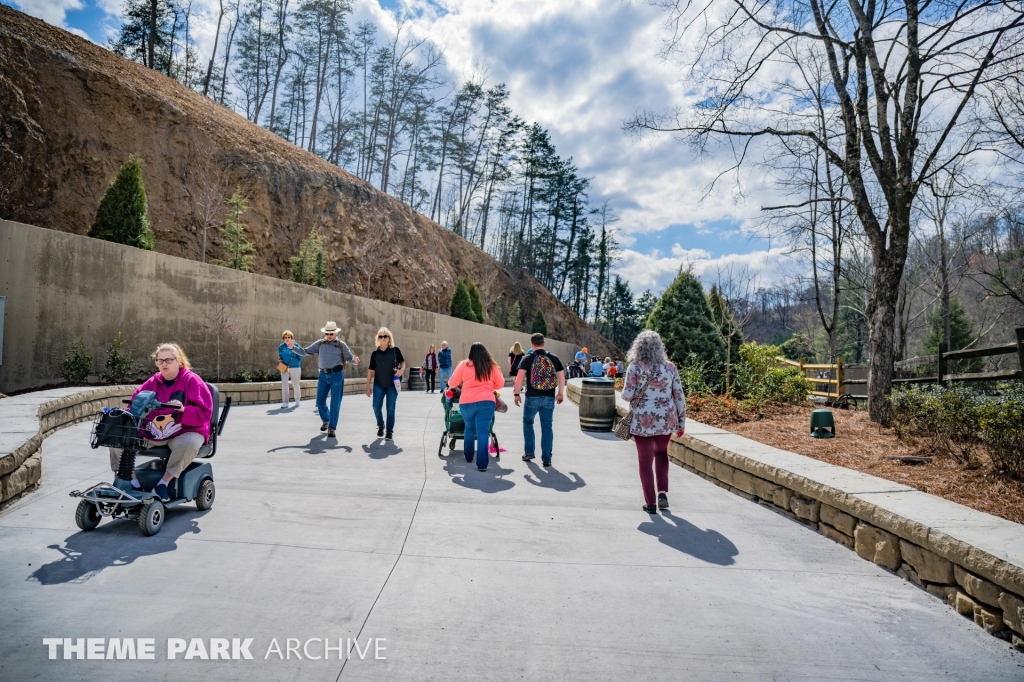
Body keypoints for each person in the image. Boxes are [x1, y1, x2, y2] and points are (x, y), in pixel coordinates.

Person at [108, 343, 213, 502]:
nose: (164, 364)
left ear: (179, 361)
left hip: (183, 430)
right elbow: (134, 406)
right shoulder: (151, 382)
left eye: (169, 360)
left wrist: (184, 410)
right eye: (160, 360)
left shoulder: (191, 380)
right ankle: (132, 481)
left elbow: (205, 412)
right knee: (117, 437)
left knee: (190, 442)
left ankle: (164, 483)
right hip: (153, 431)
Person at [620, 330, 686, 514]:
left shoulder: (634, 367)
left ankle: (650, 503)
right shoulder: (670, 367)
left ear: (638, 347)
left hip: (642, 421)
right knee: (661, 453)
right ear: (659, 347)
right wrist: (682, 422)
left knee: (644, 461)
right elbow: (679, 395)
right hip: (667, 419)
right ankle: (662, 493)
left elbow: (627, 396)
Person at [295, 321, 358, 439]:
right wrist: (292, 347)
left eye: (331, 334)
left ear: (336, 333)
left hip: (336, 376)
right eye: (327, 334)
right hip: (323, 376)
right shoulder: (320, 344)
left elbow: (350, 358)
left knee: (335, 403)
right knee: (319, 402)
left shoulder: (341, 345)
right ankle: (326, 420)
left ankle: (332, 428)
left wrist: (355, 361)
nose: (329, 336)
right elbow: (305, 351)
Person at [448, 343, 505, 471]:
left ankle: (468, 456)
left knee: (469, 428)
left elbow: (452, 382)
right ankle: (482, 464)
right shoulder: (491, 366)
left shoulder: (463, 365)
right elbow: (500, 383)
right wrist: (489, 385)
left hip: (466, 401)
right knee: (483, 431)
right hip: (486, 401)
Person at [513, 333, 565, 466]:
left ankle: (529, 452)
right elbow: (561, 377)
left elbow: (519, 378)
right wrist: (560, 393)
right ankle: (547, 458)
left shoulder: (527, 358)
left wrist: (516, 394)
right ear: (544, 343)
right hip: (549, 397)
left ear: (532, 344)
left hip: (532, 396)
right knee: (547, 427)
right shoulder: (553, 358)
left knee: (528, 422)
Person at [366, 327, 404, 440]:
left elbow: (403, 362)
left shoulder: (395, 350)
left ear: (389, 338)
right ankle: (380, 425)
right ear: (378, 338)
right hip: (378, 384)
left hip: (392, 385)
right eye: (381, 336)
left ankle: (389, 431)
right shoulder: (375, 354)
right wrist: (367, 385)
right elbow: (371, 370)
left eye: (385, 336)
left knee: (390, 408)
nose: (383, 338)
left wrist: (401, 370)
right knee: (376, 407)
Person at [278, 330, 303, 407]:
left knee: (295, 384)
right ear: (283, 338)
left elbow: (301, 356)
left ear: (292, 338)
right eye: (285, 337)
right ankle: (285, 402)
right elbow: (280, 355)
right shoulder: (281, 346)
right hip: (283, 366)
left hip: (295, 367)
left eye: (289, 337)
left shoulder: (296, 345)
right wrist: (279, 359)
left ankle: (297, 399)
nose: (287, 339)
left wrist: (296, 362)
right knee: (284, 385)